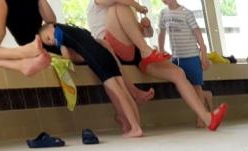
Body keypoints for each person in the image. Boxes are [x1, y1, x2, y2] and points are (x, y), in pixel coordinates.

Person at [88, 0, 227, 130]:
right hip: (110, 48)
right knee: (119, 7)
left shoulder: (127, 7)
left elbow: (146, 34)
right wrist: (137, 6)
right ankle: (145, 50)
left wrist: (145, 27)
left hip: (134, 50)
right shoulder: (102, 2)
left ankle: (207, 118)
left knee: (178, 73)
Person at [38, 21, 143, 137]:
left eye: (48, 38)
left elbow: (67, 58)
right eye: (48, 42)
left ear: (51, 26)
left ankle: (135, 128)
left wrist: (54, 56)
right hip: (106, 55)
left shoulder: (59, 34)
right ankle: (136, 125)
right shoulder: (74, 30)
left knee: (118, 94)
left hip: (98, 61)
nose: (51, 41)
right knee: (124, 92)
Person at [158, 0, 211, 116]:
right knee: (183, 88)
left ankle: (202, 117)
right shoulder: (163, 13)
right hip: (176, 58)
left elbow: (198, 34)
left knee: (196, 87)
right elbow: (161, 33)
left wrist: (204, 54)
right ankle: (206, 95)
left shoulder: (186, 13)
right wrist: (161, 50)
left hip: (191, 56)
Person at [0, 0, 51, 76]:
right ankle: (21, 62)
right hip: (32, 45)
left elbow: (51, 21)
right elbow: (0, 33)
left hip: (38, 42)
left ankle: (22, 60)